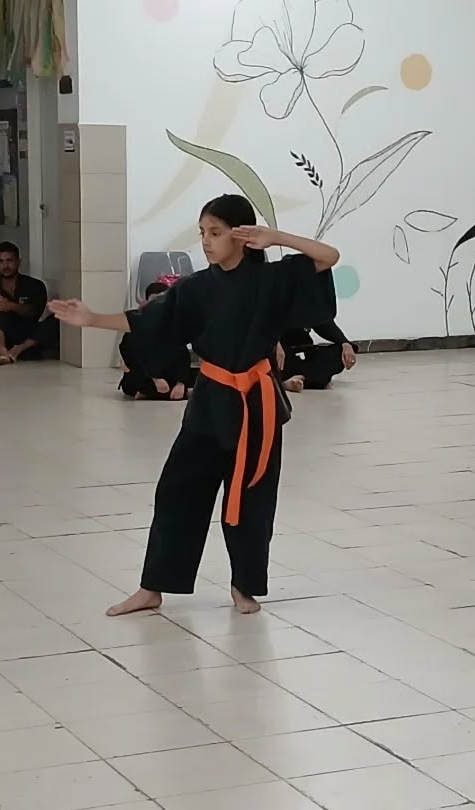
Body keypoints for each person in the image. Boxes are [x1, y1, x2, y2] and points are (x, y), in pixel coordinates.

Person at [49, 194, 339, 616]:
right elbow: (148, 318)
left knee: (252, 499)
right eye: (202, 232)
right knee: (177, 492)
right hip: (210, 401)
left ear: (242, 235)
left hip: (256, 405)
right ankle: (153, 587)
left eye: (215, 233)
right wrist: (91, 319)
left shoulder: (274, 278)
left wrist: (275, 237)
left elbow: (328, 256)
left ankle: (244, 586)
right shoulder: (198, 287)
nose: (205, 241)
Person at [0, 241, 49, 365]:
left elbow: (35, 312)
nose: (5, 265)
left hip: (26, 335)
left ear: (18, 261)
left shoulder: (35, 285)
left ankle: (18, 349)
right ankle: (2, 350)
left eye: (9, 260)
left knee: (57, 320)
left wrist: (11, 306)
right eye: (0, 261)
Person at [118, 277, 197, 400]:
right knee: (134, 382)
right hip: (146, 374)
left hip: (169, 373)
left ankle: (160, 393)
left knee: (200, 376)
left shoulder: (173, 323)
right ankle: (182, 393)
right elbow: (131, 355)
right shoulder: (137, 321)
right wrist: (155, 378)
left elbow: (182, 355)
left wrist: (180, 383)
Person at [275, 320, 357, 392]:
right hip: (281, 351)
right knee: (272, 356)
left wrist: (344, 343)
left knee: (339, 352)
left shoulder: (309, 308)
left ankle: (301, 378)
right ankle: (309, 379)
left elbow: (323, 323)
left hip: (305, 351)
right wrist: (275, 343)